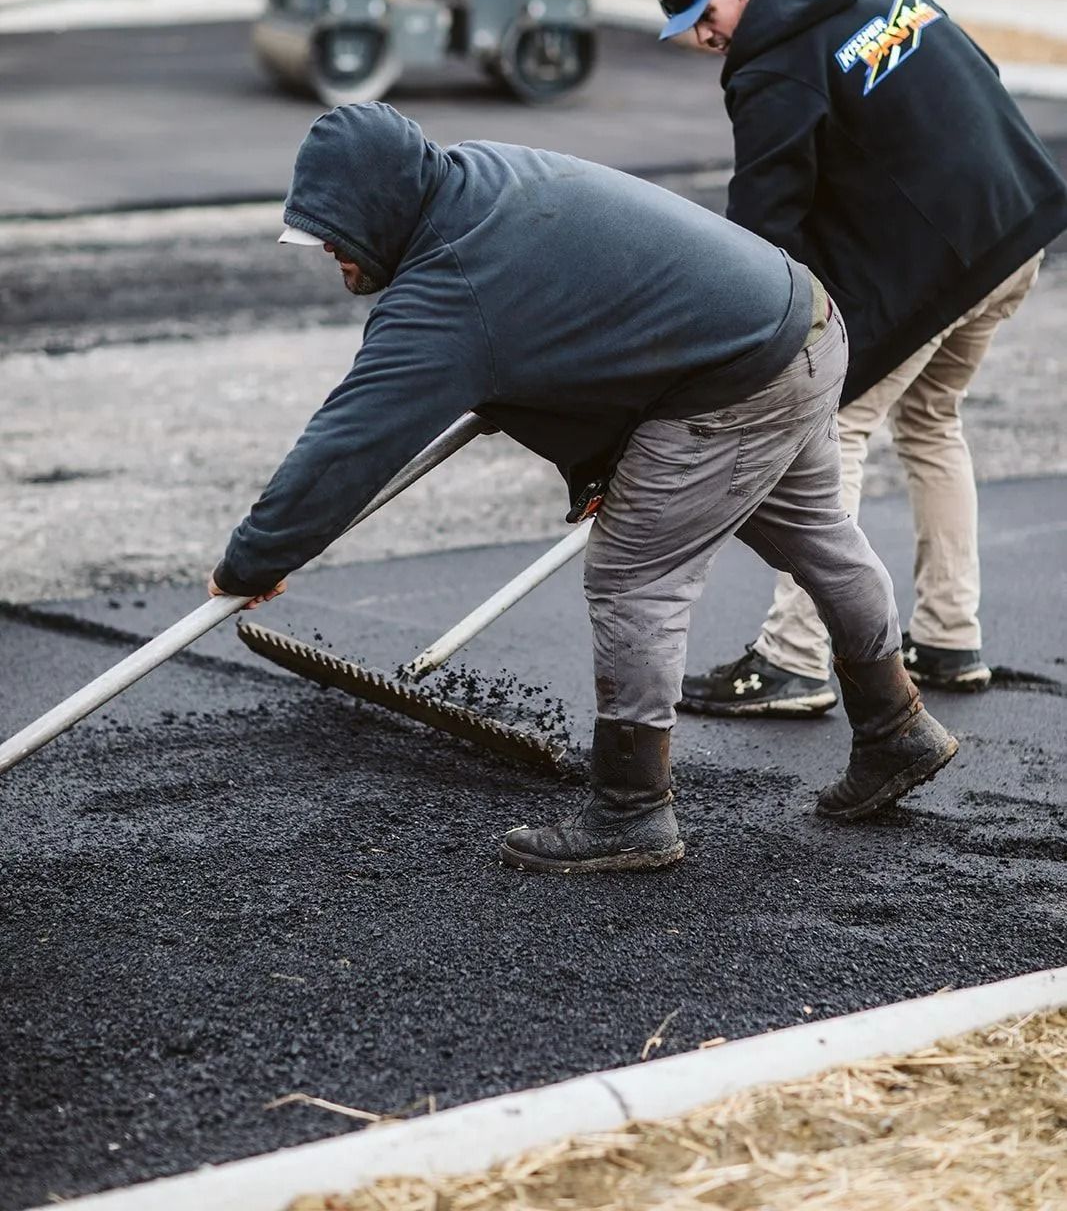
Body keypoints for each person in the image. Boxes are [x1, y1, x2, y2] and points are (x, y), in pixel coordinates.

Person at [208, 101, 957, 874]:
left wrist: (252, 562)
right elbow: (589, 326)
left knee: (635, 576)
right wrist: (597, 465)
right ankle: (895, 729)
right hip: (798, 317)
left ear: (376, 206)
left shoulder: (448, 292)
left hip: (735, 379)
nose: (328, 248)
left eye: (334, 228)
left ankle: (632, 811)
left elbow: (346, 449)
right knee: (818, 540)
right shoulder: (479, 175)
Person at [658, 0, 1067, 719]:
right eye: (686, 26)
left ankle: (794, 657)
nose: (701, 36)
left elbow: (764, 226)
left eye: (705, 13)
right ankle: (949, 636)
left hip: (940, 266)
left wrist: (742, 336)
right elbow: (976, 71)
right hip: (1015, 229)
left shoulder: (771, 61)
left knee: (830, 431)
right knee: (930, 421)